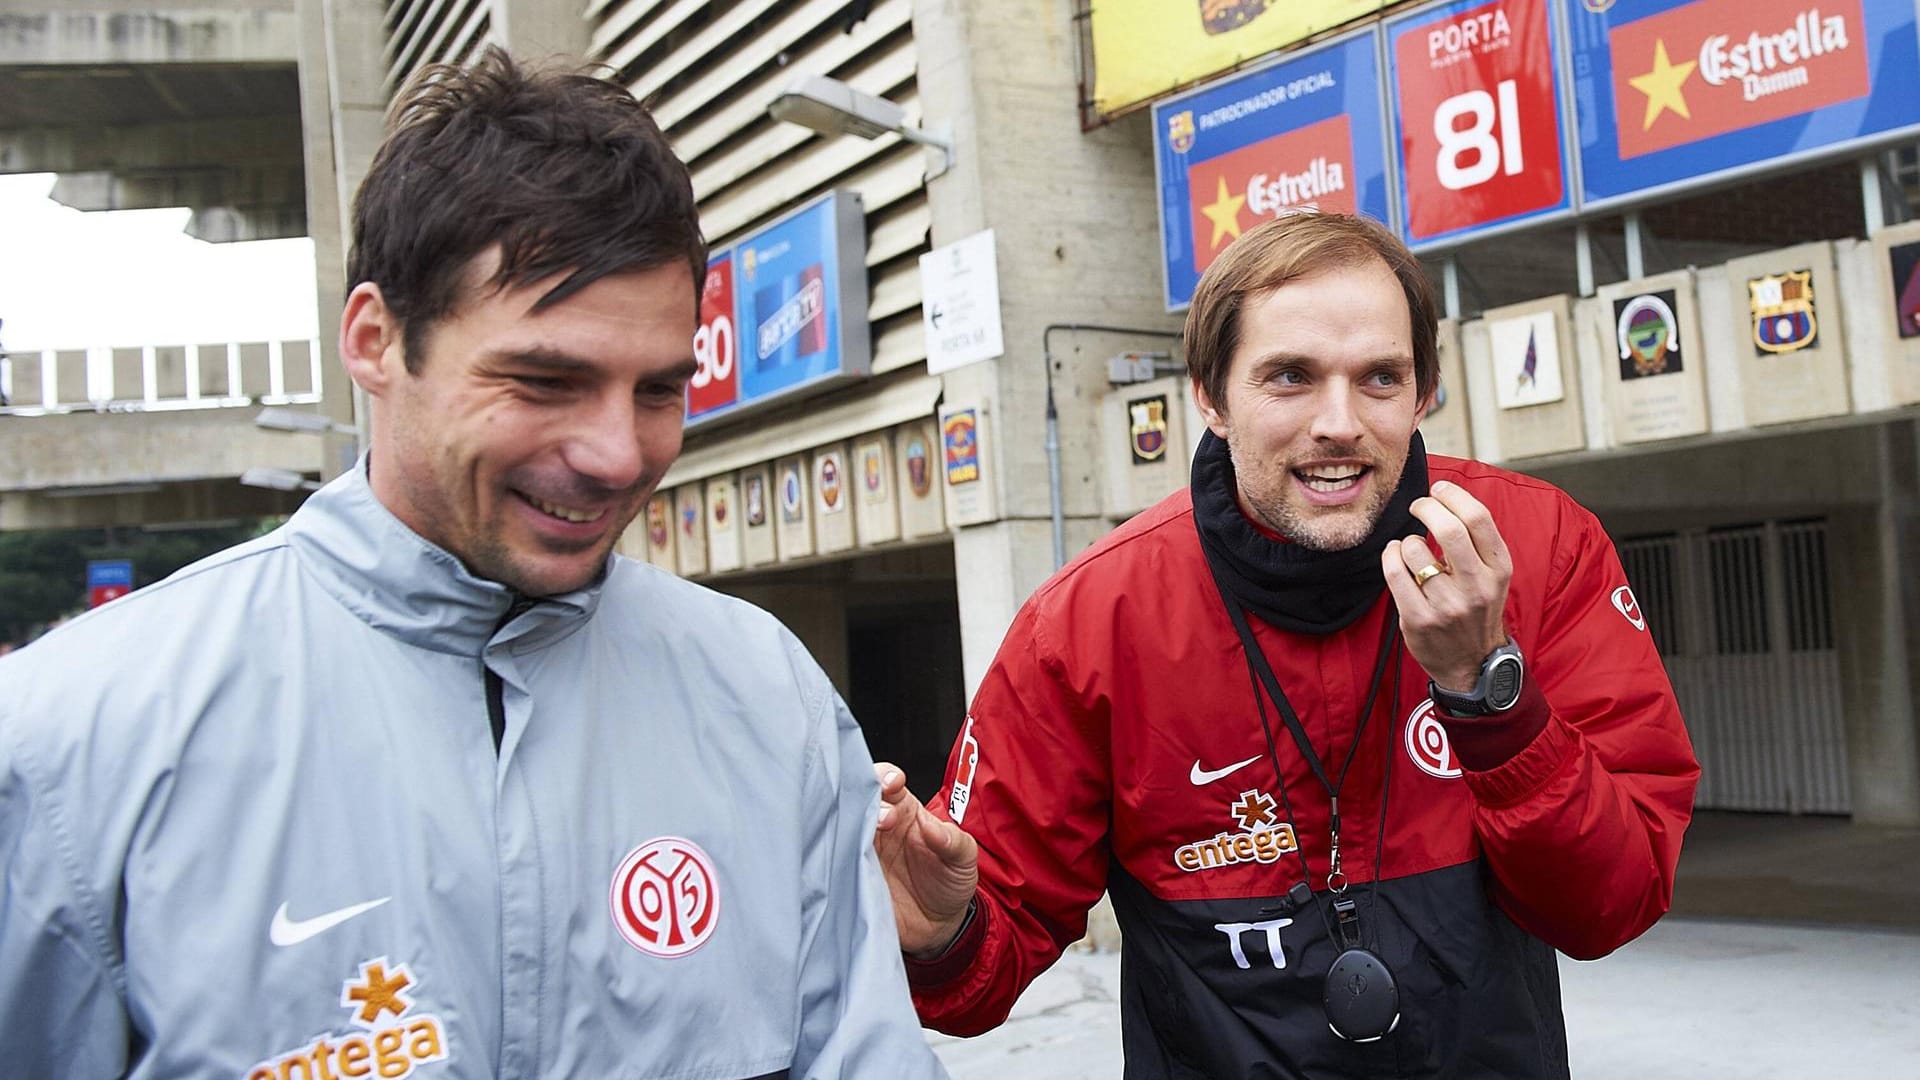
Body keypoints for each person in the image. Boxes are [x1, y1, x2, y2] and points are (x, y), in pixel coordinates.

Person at [0, 48, 946, 1079]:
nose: (617, 454)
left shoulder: (768, 695)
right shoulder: (70, 742)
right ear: (375, 340)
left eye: (659, 391)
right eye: (544, 380)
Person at [876, 213, 1700, 1077]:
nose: (1339, 423)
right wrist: (942, 936)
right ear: (1211, 395)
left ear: (1423, 393)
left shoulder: (1538, 546)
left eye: (1380, 377)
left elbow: (1612, 904)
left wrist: (1486, 692)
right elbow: (981, 971)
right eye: (1291, 378)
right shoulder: (1088, 621)